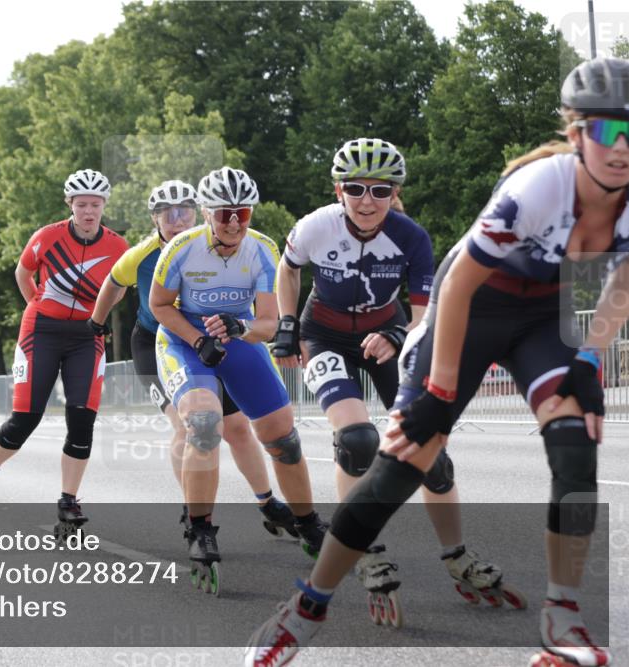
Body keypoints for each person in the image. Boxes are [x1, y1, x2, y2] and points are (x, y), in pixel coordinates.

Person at [246, 56, 629, 667]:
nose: (622, 149)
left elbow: (619, 280)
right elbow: (456, 288)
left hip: (538, 320)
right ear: (577, 133)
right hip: (471, 309)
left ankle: (563, 620)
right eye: (610, 131)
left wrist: (588, 357)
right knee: (403, 462)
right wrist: (440, 390)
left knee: (577, 446)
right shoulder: (541, 187)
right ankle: (306, 607)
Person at [273, 137, 522, 625]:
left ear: (395, 194)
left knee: (432, 455)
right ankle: (365, 549)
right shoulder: (314, 227)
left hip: (389, 337)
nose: (368, 201)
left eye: (381, 191)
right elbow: (288, 271)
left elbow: (423, 317)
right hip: (323, 336)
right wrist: (287, 325)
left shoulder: (410, 237)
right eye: (356, 188)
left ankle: (455, 553)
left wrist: (392, 332)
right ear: (338, 190)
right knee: (358, 441)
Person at [89, 180, 306, 571]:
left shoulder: (237, 244)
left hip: (219, 337)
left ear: (197, 213)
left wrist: (243, 329)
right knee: (192, 425)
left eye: (183, 212)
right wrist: (96, 324)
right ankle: (195, 510)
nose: (176, 220)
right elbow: (113, 285)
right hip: (157, 340)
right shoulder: (144, 254)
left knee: (238, 428)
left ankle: (267, 501)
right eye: (167, 214)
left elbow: (266, 315)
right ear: (155, 219)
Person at [149, 166, 329, 592]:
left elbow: (269, 322)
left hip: (237, 334)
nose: (234, 222)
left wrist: (238, 327)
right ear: (208, 213)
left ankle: (306, 522)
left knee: (282, 436)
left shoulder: (263, 250)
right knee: (206, 425)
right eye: (225, 213)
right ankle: (200, 527)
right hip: (183, 340)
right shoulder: (181, 248)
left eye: (242, 213)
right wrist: (196, 339)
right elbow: (159, 305)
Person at [0, 169, 129, 535]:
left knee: (82, 421)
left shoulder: (117, 246)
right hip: (42, 331)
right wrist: (36, 302)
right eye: (81, 205)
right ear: (70, 205)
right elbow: (23, 271)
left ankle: (68, 500)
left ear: (104, 206)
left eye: (95, 205)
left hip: (86, 335)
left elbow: (120, 286)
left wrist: (99, 317)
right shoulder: (47, 237)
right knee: (25, 419)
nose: (88, 212)